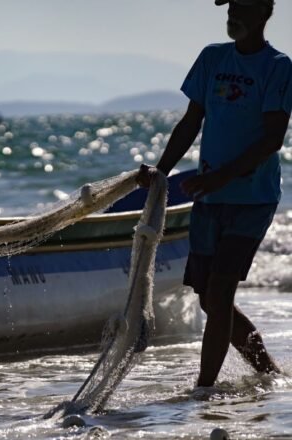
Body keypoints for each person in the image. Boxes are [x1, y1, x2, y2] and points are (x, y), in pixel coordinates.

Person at [137, 0, 290, 389]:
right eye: (230, 6)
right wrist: (162, 170)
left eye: (242, 6)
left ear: (264, 14)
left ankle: (203, 390)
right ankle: (270, 373)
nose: (232, 13)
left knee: (221, 291)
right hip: (210, 198)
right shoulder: (212, 57)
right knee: (209, 298)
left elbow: (272, 138)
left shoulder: (277, 67)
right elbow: (191, 121)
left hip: (252, 199)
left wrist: (222, 177)